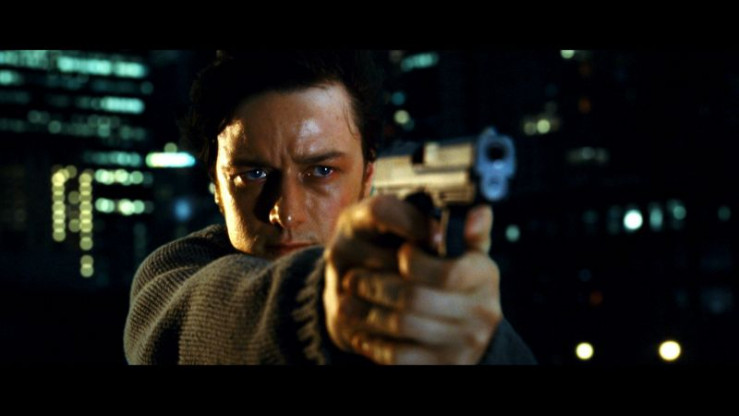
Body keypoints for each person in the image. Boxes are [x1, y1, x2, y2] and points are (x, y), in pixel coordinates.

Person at [123, 50, 536, 365]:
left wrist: (481, 342)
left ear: (368, 177)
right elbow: (196, 314)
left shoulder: (423, 295)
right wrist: (323, 306)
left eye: (322, 171)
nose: (287, 213)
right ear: (216, 186)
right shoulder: (173, 277)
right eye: (254, 175)